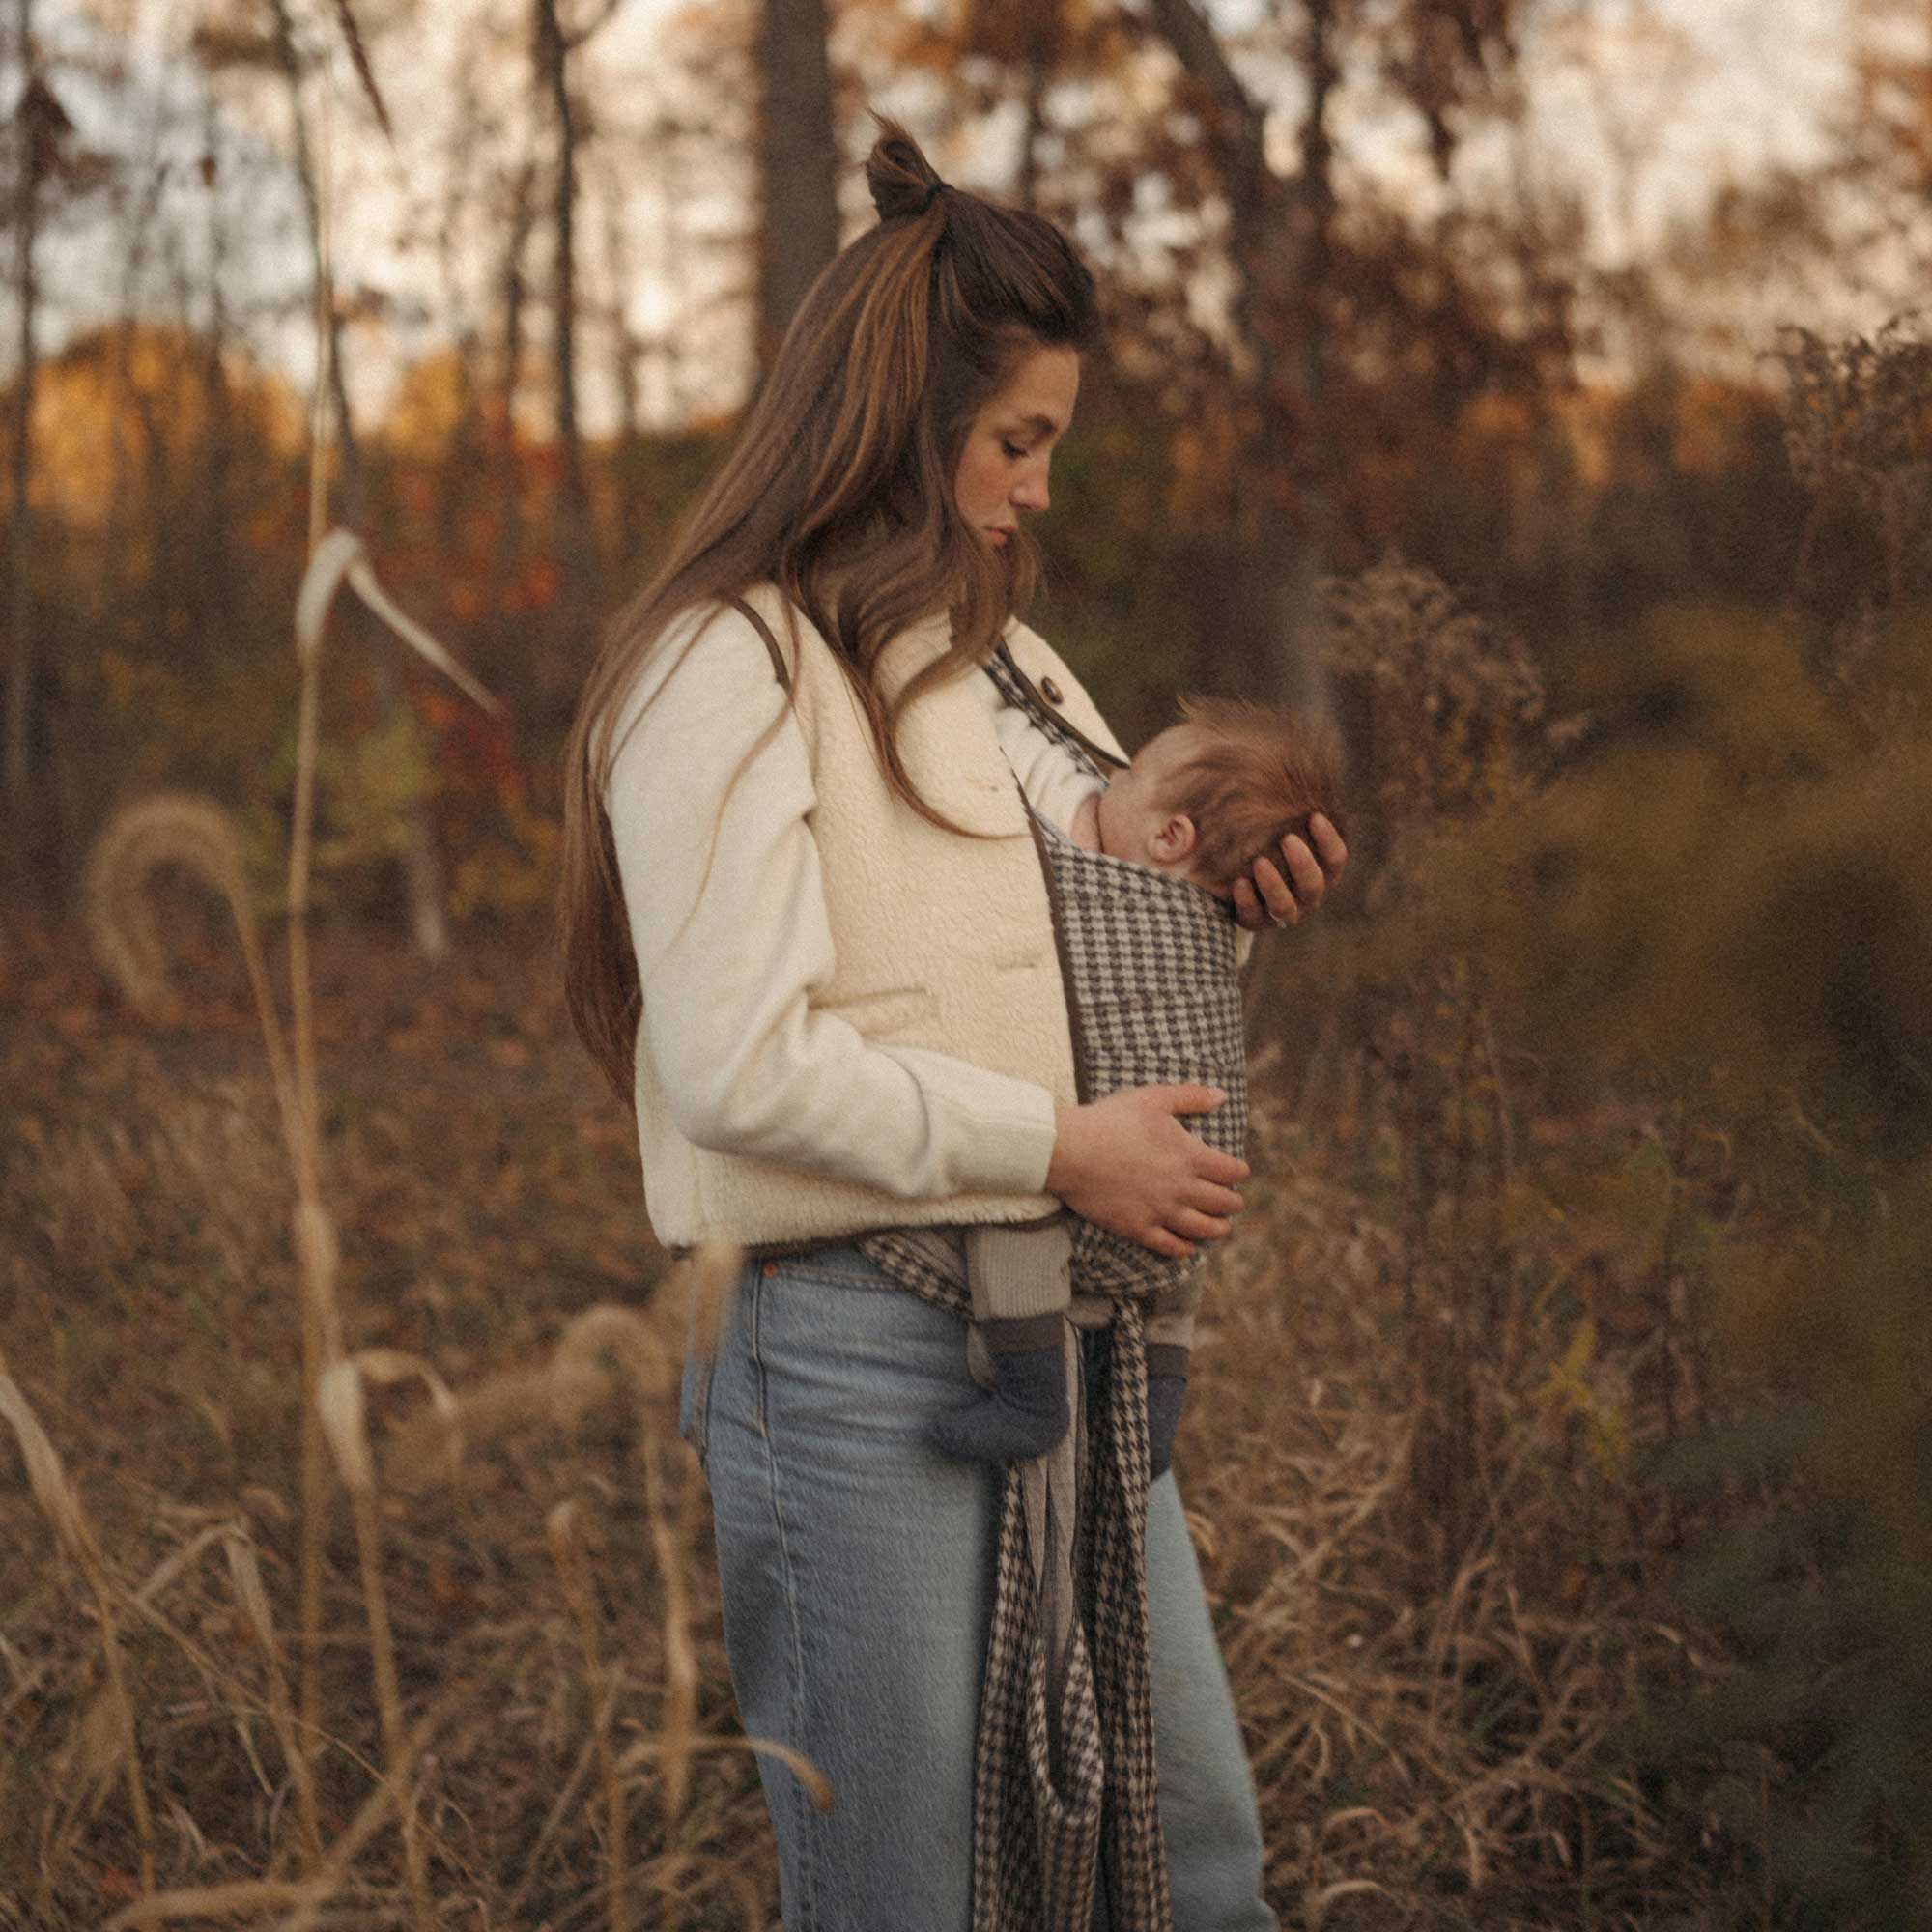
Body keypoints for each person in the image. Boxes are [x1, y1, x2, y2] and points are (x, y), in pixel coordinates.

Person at [558, 118, 1347, 1932]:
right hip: (852, 1358)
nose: (1039, 489)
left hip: (1058, 1348)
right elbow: (737, 1065)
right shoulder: (727, 668)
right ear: (901, 428)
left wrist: (1212, 907)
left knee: (1191, 1859)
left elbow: (1027, 972)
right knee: (907, 1898)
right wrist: (1062, 1149)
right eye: (1018, 442)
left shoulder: (1014, 668)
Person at [935, 696, 1346, 1476]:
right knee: (1183, 1258)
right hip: (1206, 1137)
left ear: (1169, 837)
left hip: (1102, 1143)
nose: (1111, 771)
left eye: (1132, 772)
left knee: (1013, 1215)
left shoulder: (1098, 862)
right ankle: (1157, 1407)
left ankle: (1030, 1394)